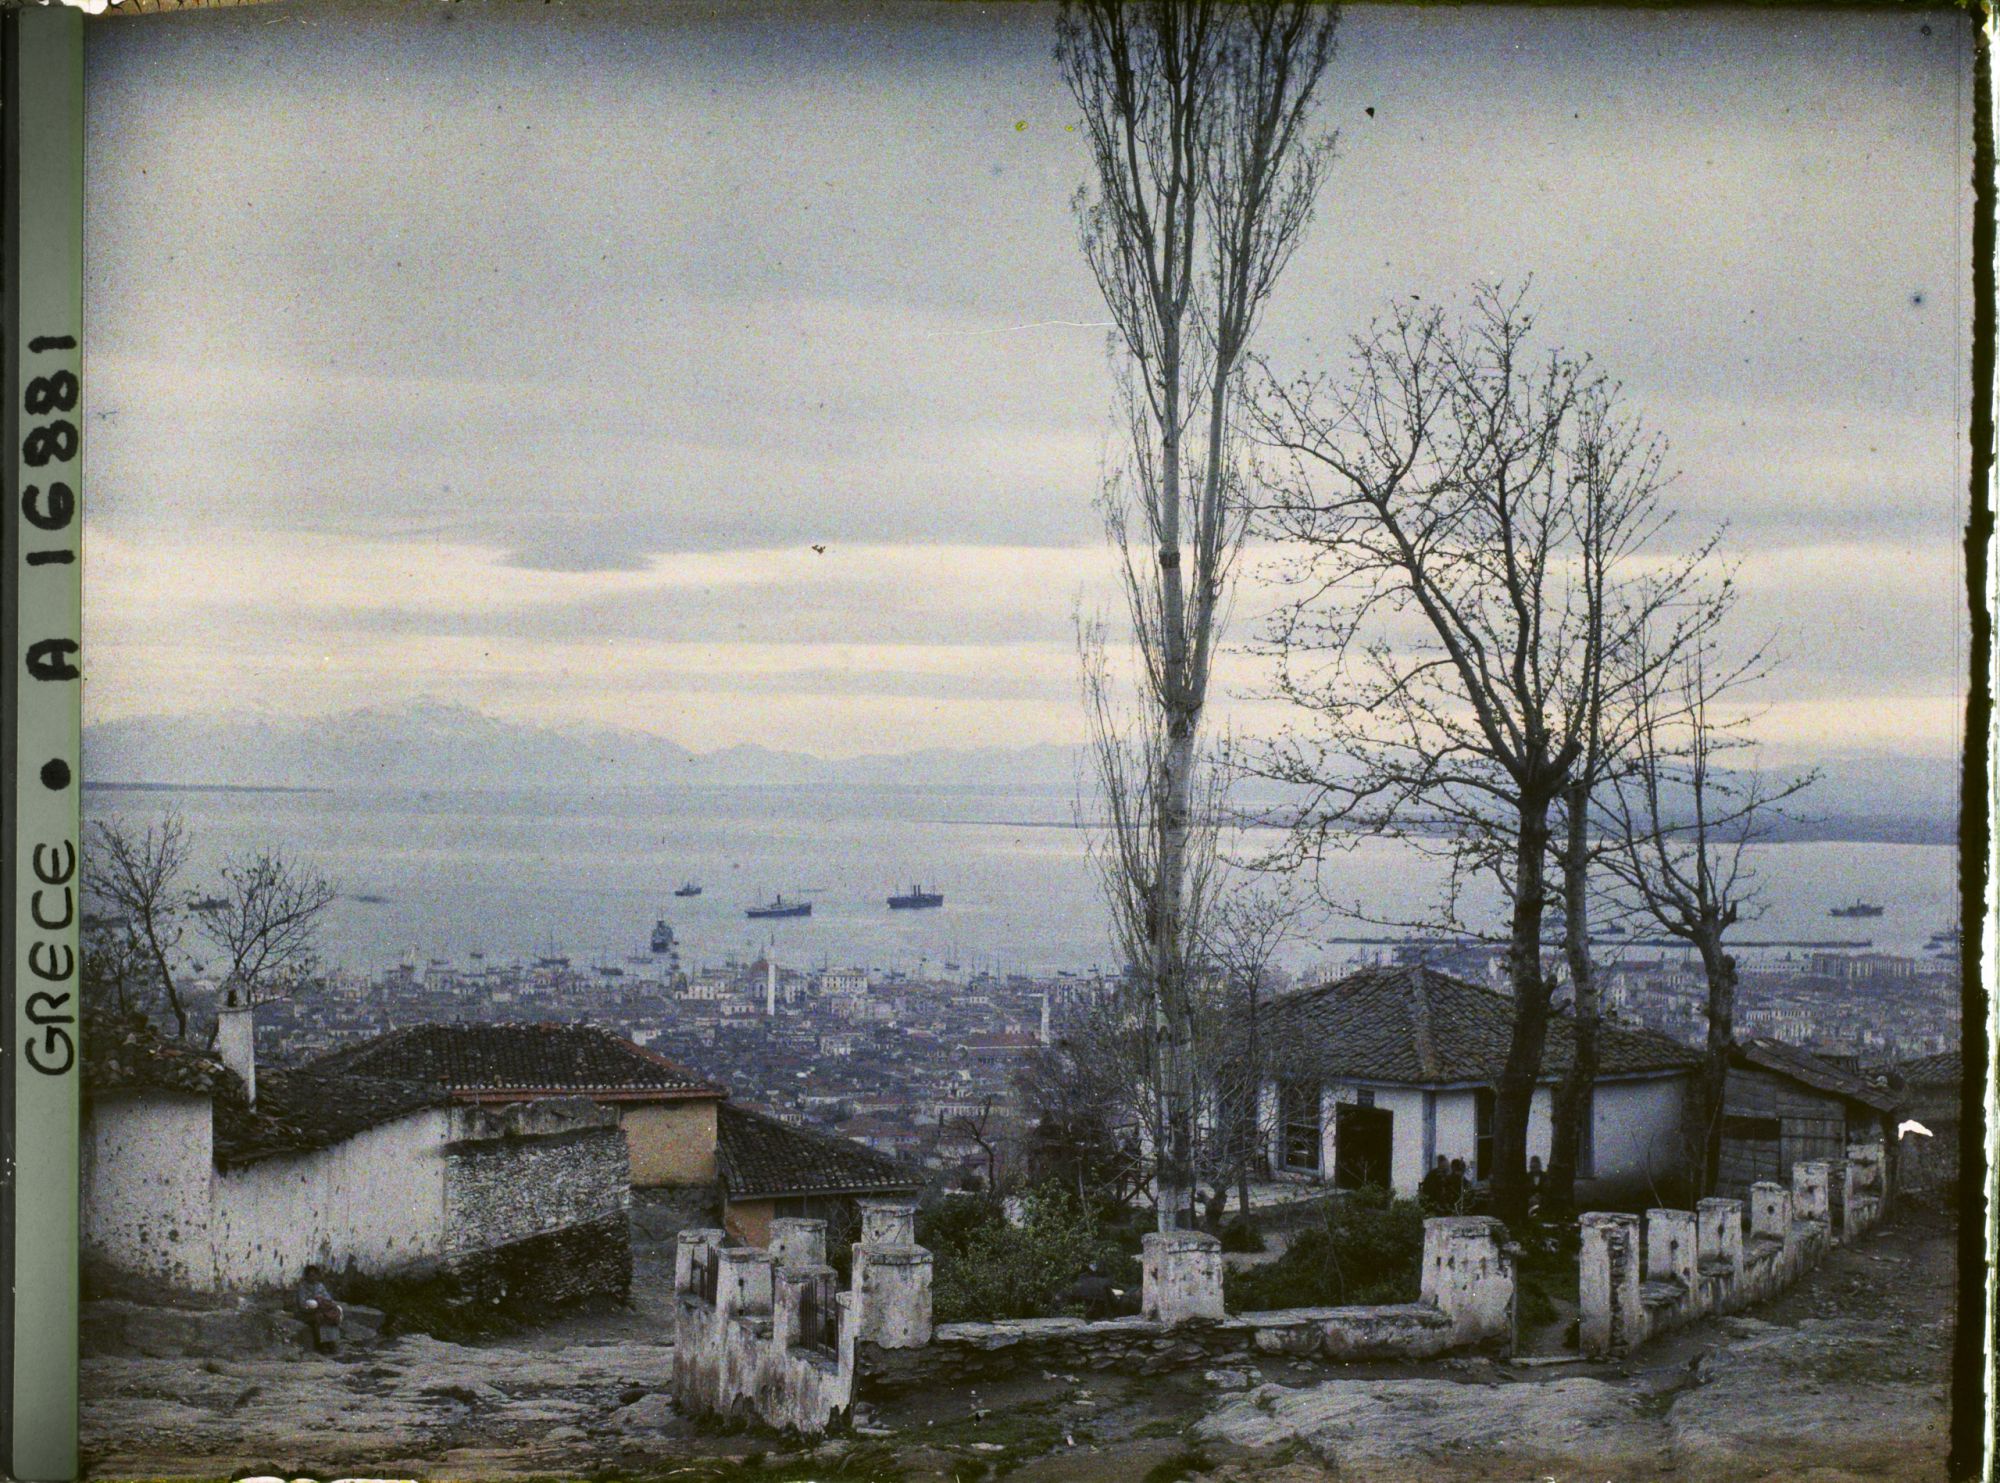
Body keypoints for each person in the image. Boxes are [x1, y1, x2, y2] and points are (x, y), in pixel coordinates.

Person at [297, 1264, 343, 1353]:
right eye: (311, 1275)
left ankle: (331, 1342)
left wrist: (322, 1302)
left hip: (321, 1309)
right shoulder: (302, 1287)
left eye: (314, 1275)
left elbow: (328, 1299)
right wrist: (313, 1306)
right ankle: (322, 1344)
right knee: (319, 1317)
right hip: (307, 1313)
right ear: (306, 1276)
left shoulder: (320, 1286)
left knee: (332, 1316)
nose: (313, 1277)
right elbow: (302, 1304)